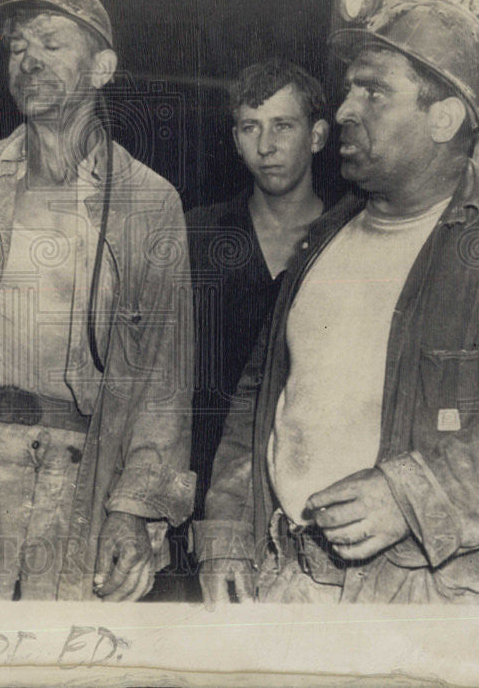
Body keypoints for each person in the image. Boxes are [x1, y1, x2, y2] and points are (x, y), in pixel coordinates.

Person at [197, 0, 479, 605]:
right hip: (290, 581)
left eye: (375, 91)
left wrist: (411, 495)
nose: (346, 110)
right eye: (350, 88)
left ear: (443, 117)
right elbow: (261, 390)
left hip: (427, 601)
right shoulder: (325, 235)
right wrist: (224, 528)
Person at [0, 0, 195, 601]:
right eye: (17, 47)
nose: (27, 59)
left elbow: (163, 384)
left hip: (83, 488)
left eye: (51, 43)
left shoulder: (150, 203)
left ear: (103, 68)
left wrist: (136, 507)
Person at [184, 59, 328, 584]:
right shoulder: (196, 235)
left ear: (317, 136)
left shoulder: (347, 239)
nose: (266, 145)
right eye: (251, 127)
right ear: (236, 139)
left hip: (303, 503)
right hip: (195, 497)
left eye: (283, 126)